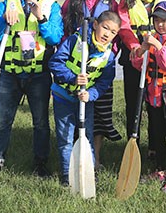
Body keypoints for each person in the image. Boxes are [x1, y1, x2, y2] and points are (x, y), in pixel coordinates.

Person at [0, 0, 64, 183]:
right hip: (10, 72)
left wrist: (42, 19)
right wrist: (2, 22)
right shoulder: (6, 4)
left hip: (39, 74)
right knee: (2, 120)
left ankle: (40, 163)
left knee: (40, 122)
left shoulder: (51, 6)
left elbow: (56, 36)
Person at [60, 0, 122, 170]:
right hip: (76, 64)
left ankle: (95, 160)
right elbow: (64, 32)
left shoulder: (111, 1)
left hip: (101, 65)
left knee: (99, 114)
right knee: (75, 110)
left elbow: (118, 30)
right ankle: (74, 157)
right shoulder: (72, 1)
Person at [49, 11, 120, 185]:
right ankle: (67, 175)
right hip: (63, 97)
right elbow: (55, 62)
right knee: (65, 138)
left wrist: (91, 94)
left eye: (113, 32)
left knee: (87, 136)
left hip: (84, 101)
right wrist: (73, 77)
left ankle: (88, 172)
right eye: (105, 28)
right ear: (95, 24)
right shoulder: (75, 41)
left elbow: (104, 82)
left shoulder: (109, 56)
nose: (107, 34)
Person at [131, 1, 166, 193]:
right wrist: (140, 51)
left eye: (165, 20)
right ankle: (160, 169)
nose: (160, 24)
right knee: (157, 134)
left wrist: (157, 46)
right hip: (154, 94)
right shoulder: (152, 38)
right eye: (157, 20)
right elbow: (140, 65)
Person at [117, 0, 166, 142]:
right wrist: (135, 47)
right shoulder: (126, 1)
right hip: (134, 58)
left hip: (157, 60)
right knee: (133, 104)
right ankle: (133, 144)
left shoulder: (165, 1)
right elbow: (124, 27)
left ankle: (156, 146)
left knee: (155, 105)